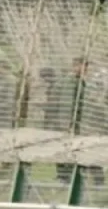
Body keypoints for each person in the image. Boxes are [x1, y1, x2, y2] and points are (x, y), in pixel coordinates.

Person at [44, 57, 105, 185]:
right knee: (64, 151)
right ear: (75, 66)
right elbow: (59, 103)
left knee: (87, 151)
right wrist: (60, 123)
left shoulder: (88, 83)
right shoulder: (66, 83)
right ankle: (64, 177)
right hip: (67, 124)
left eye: (86, 67)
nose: (84, 69)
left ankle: (97, 179)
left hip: (83, 124)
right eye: (82, 66)